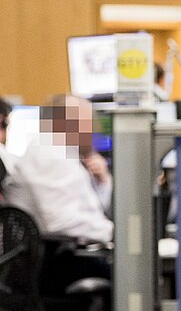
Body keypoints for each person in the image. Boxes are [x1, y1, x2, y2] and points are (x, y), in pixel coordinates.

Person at [2, 94, 112, 245]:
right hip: (59, 257)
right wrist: (113, 233)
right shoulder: (50, 154)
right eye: (88, 122)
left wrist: (103, 181)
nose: (95, 130)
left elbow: (90, 210)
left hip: (65, 250)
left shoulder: (63, 152)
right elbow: (61, 222)